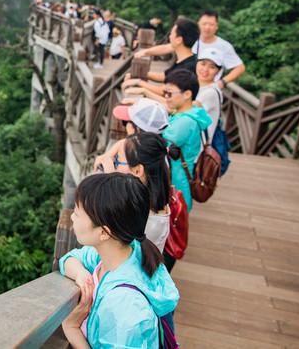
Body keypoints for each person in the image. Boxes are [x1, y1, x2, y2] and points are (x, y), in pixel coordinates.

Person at [59, 173, 179, 349]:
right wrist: (81, 275)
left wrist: (72, 328)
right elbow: (69, 259)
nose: (71, 217)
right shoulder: (127, 251)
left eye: (77, 213)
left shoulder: (125, 307)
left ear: (103, 233)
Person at [93, 133, 172, 252]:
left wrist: (110, 179)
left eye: (117, 161)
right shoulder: (147, 195)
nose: (114, 165)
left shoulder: (146, 219)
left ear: (137, 170)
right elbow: (125, 143)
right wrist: (108, 155)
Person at [136, 11, 245, 88]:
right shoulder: (191, 40)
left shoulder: (224, 46)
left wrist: (222, 82)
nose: (207, 27)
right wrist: (145, 52)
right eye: (204, 24)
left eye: (211, 24)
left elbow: (240, 67)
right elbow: (167, 47)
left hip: (208, 90)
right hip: (187, 88)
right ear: (198, 24)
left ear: (217, 26)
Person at [161, 69, 212, 214]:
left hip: (177, 183)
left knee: (175, 228)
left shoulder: (185, 122)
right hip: (183, 178)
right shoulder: (194, 112)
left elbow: (160, 140)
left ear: (187, 94)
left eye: (169, 93)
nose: (166, 97)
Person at [122, 17, 199, 98]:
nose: (170, 36)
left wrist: (138, 82)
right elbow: (165, 76)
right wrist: (137, 74)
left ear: (179, 40)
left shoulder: (187, 68)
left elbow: (164, 91)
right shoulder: (187, 59)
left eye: (172, 33)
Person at [194, 47, 224, 140]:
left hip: (196, 147)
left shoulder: (210, 92)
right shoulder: (195, 84)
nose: (205, 69)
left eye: (212, 67)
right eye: (203, 64)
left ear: (218, 71)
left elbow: (185, 109)